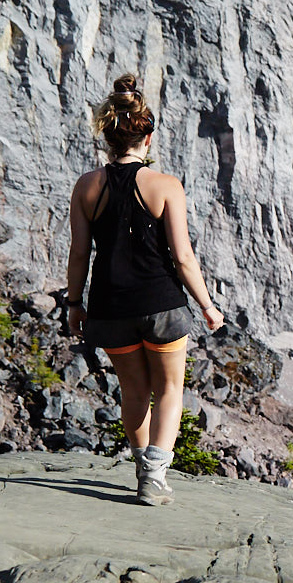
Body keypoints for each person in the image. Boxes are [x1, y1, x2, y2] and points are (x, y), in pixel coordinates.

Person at [65, 74, 226, 504]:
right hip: (162, 305)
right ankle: (154, 478)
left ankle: (143, 469)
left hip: (108, 307)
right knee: (170, 389)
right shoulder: (166, 185)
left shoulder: (85, 186)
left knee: (133, 391)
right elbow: (184, 258)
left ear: (107, 136)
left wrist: (74, 304)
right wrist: (208, 306)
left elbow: (79, 254)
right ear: (148, 137)